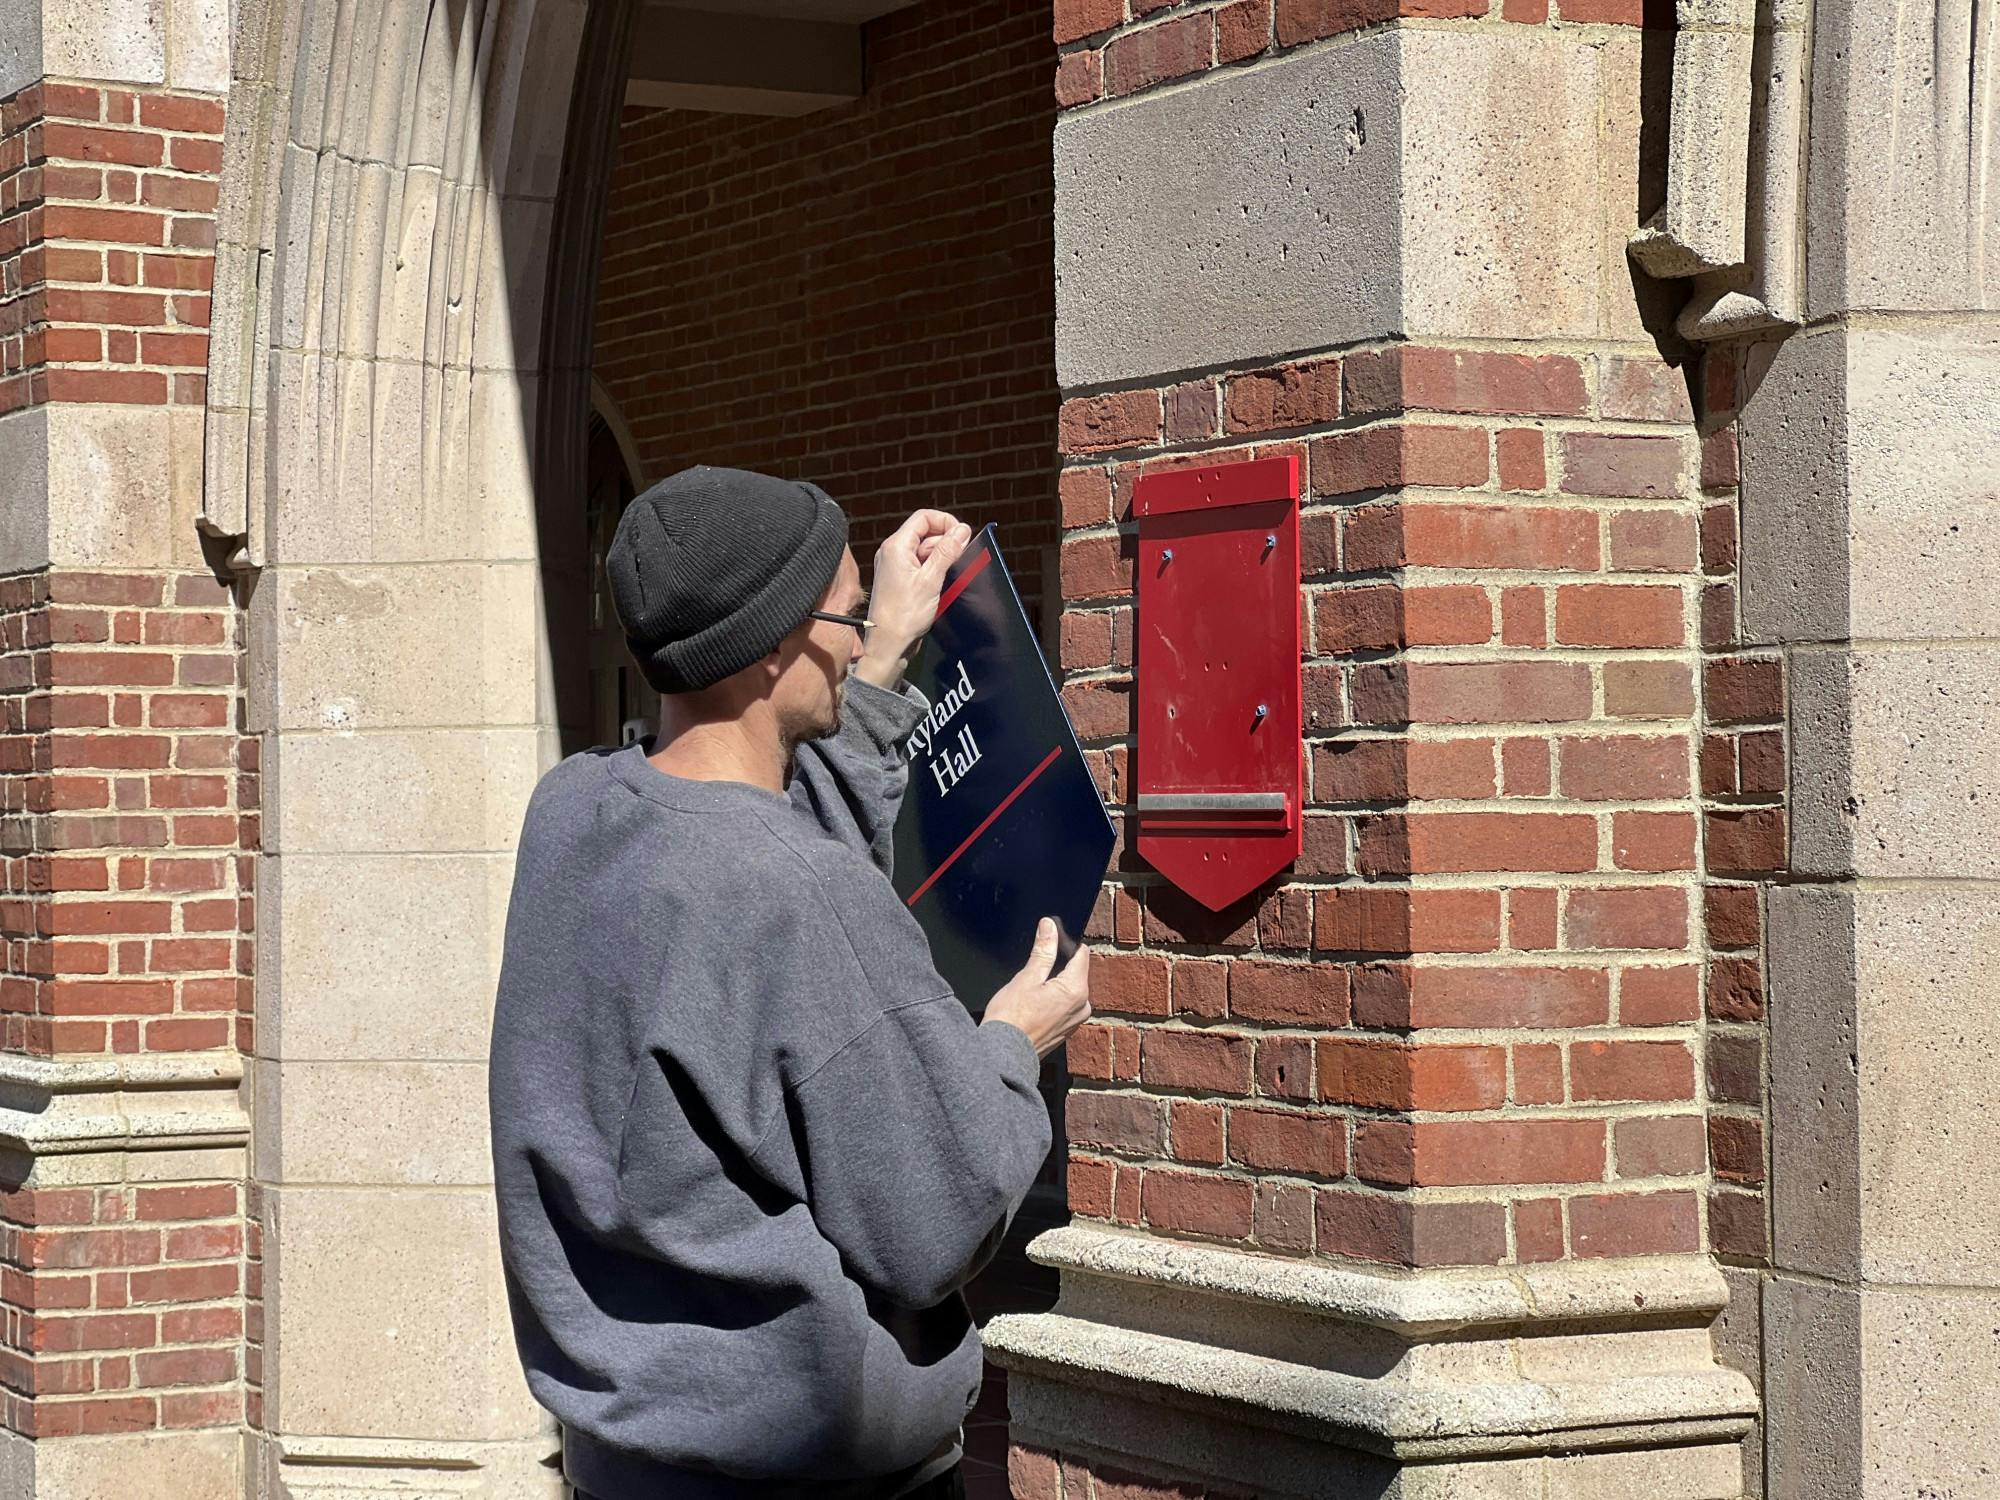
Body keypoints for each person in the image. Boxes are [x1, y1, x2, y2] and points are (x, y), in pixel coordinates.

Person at [488, 465, 1093, 1500]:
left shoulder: (574, 815)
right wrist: (1008, 1048)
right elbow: (932, 1222)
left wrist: (890, 649)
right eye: (849, 617)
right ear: (776, 642)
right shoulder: (796, 894)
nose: (860, 639)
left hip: (617, 1467)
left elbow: (749, 856)